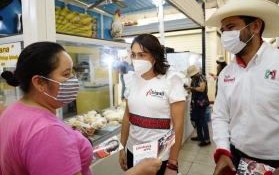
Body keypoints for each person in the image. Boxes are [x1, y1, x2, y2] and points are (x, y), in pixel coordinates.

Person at [0, 41, 162, 175]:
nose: (73, 79)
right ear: (39, 83)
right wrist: (136, 172)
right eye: (66, 74)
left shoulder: (13, 111)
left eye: (72, 73)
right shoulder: (48, 132)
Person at [203, 0, 279, 175]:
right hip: (237, 159)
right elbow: (221, 116)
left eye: (231, 27)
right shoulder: (227, 74)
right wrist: (224, 150)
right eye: (222, 30)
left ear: (255, 26)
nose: (225, 35)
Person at [119, 34, 186, 175]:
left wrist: (172, 163)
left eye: (142, 55)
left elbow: (178, 125)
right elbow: (127, 117)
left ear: (155, 56)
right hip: (133, 152)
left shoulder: (171, 80)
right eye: (133, 55)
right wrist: (122, 148)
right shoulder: (131, 79)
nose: (136, 60)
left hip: (160, 156)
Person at [185, 65, 211, 146]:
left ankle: (207, 139)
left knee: (203, 121)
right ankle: (200, 136)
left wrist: (191, 88)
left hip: (202, 103)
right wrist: (188, 89)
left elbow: (202, 89)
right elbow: (191, 90)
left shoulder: (202, 78)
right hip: (195, 103)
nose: (191, 77)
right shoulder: (194, 79)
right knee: (197, 120)